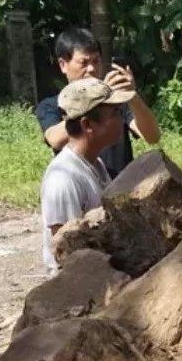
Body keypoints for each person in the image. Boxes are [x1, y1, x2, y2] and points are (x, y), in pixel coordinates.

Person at [36, 28, 160, 180]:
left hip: (119, 188)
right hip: (80, 186)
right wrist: (96, 98)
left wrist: (132, 95)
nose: (92, 69)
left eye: (96, 61)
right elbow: (55, 140)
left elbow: (153, 136)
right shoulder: (51, 105)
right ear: (63, 65)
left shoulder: (117, 100)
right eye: (84, 62)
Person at [39, 78, 134, 273]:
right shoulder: (64, 179)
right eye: (115, 113)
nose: (121, 120)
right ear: (88, 125)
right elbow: (67, 252)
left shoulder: (95, 164)